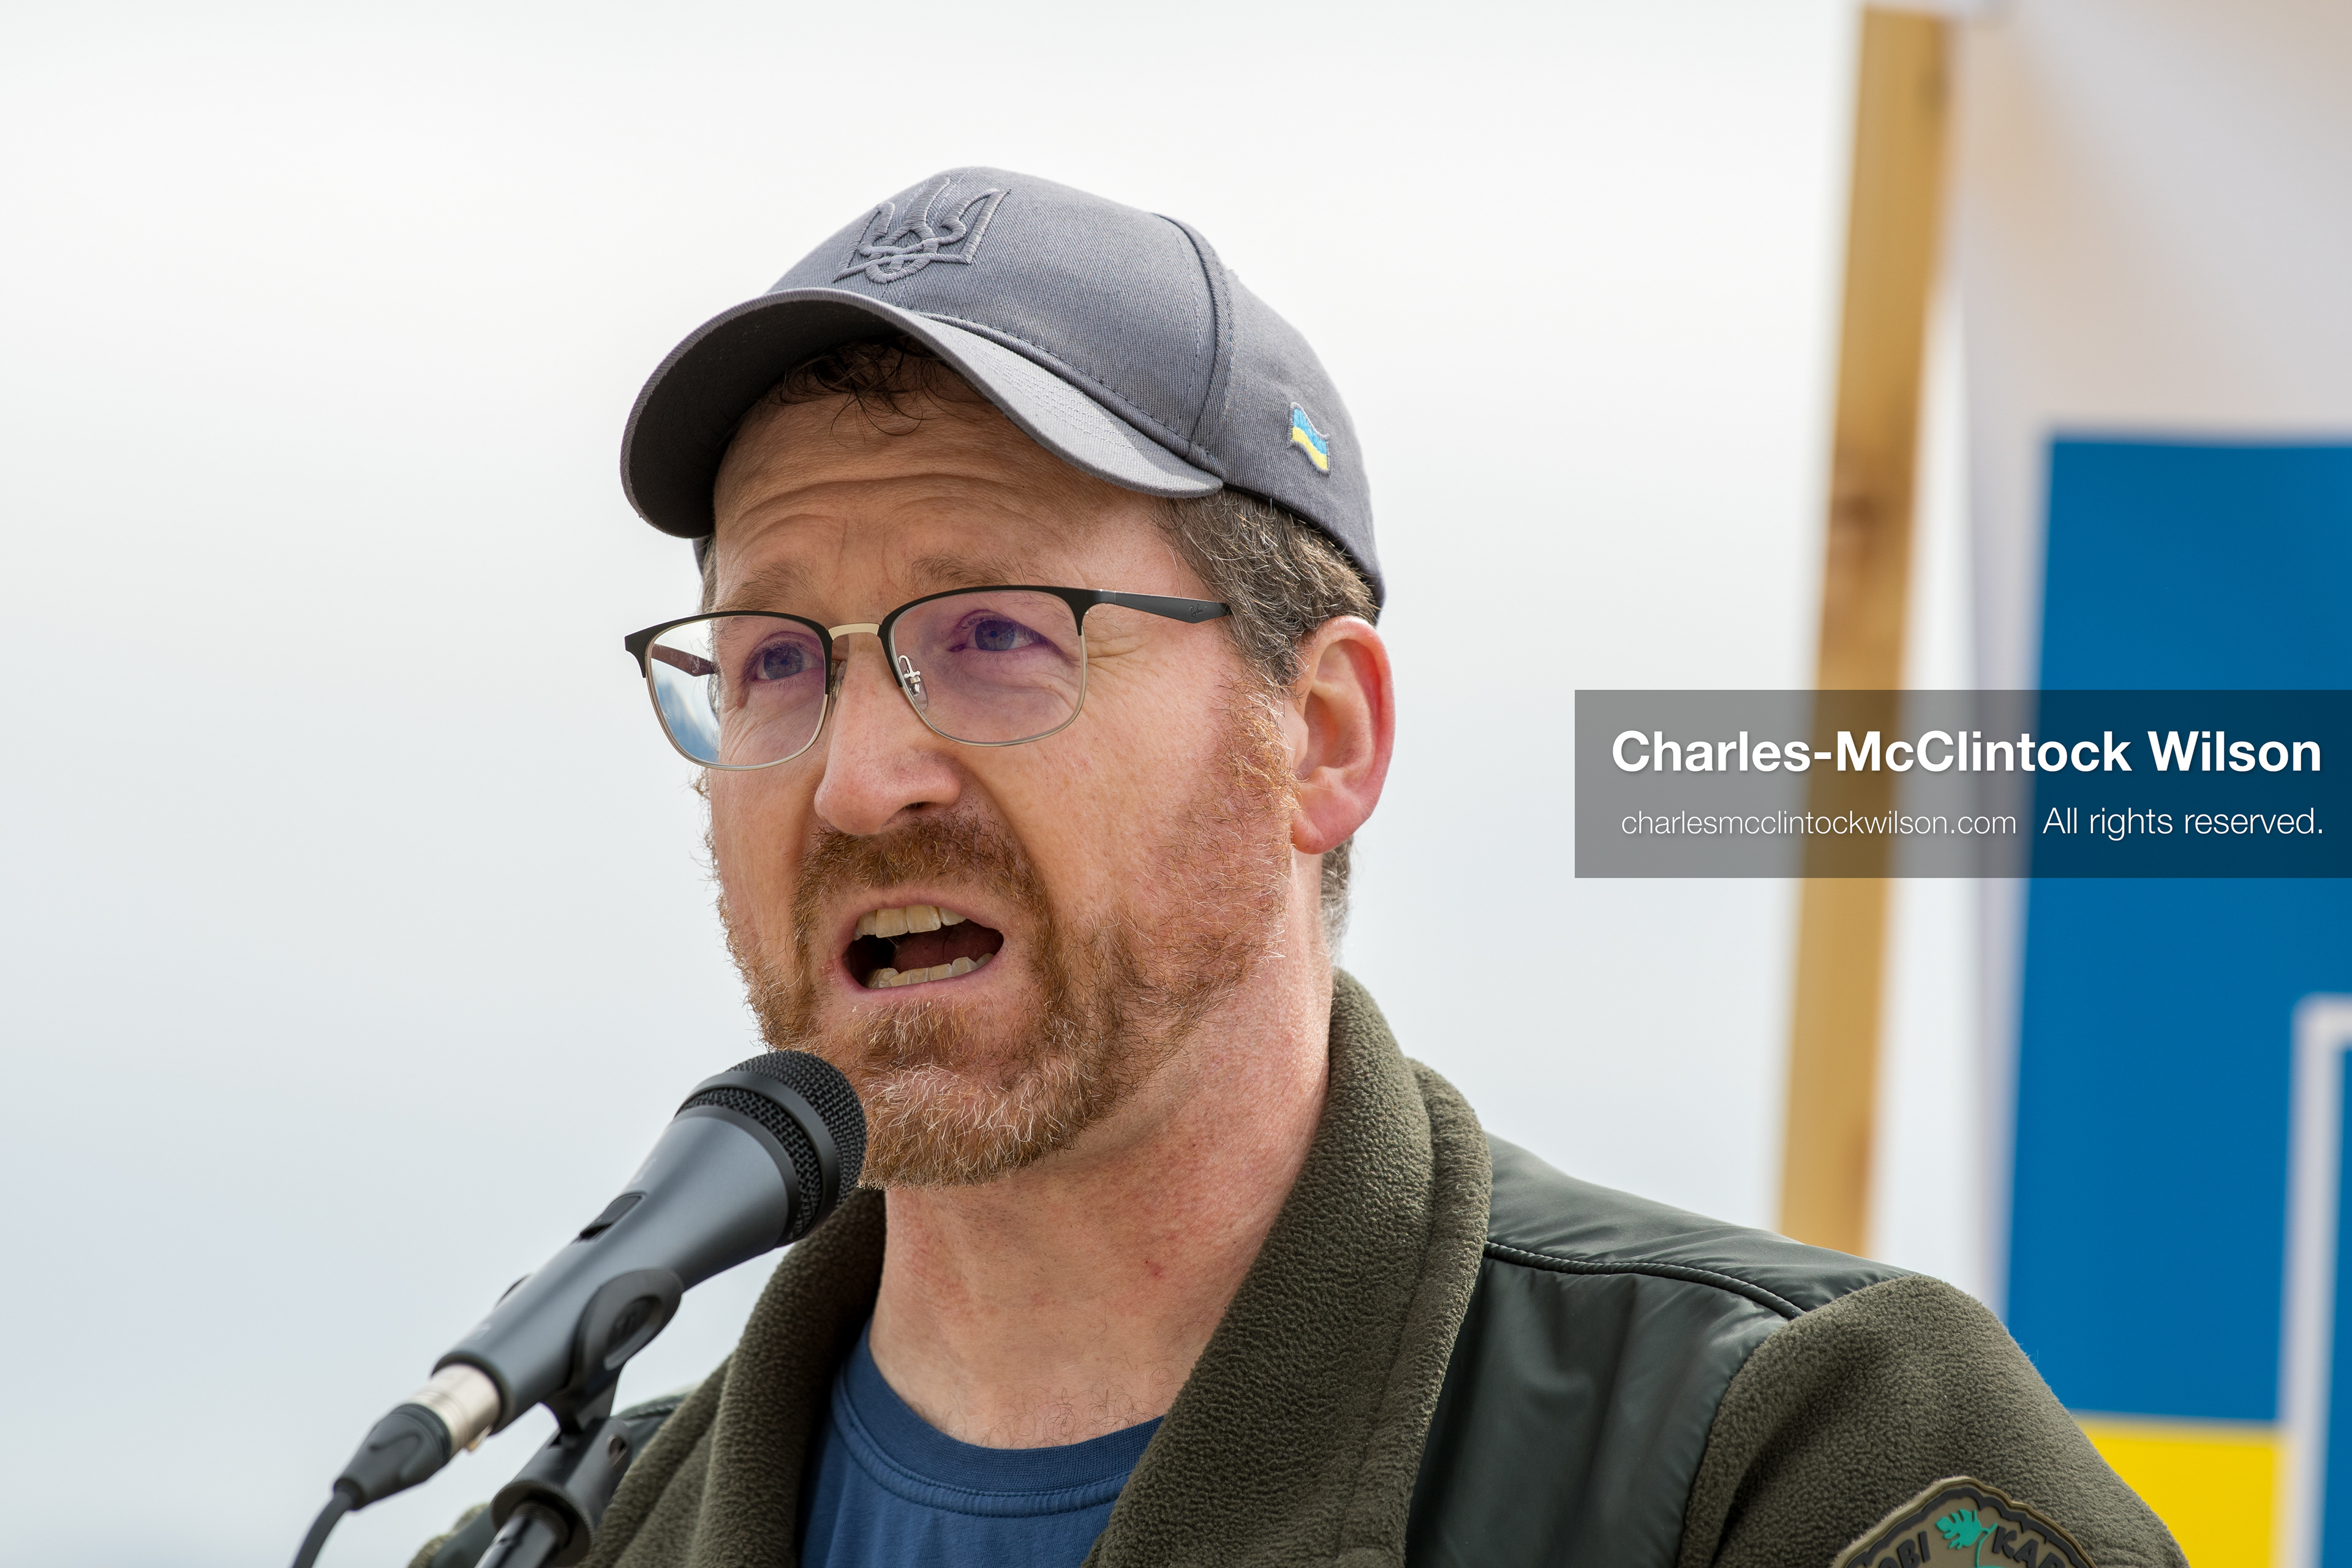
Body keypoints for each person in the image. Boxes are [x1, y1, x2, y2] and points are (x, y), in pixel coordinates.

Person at [413, 170, 2180, 1568]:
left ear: (1321, 737)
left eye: (997, 635)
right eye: (774, 662)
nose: (864, 781)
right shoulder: (555, 1545)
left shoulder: (1800, 1462)